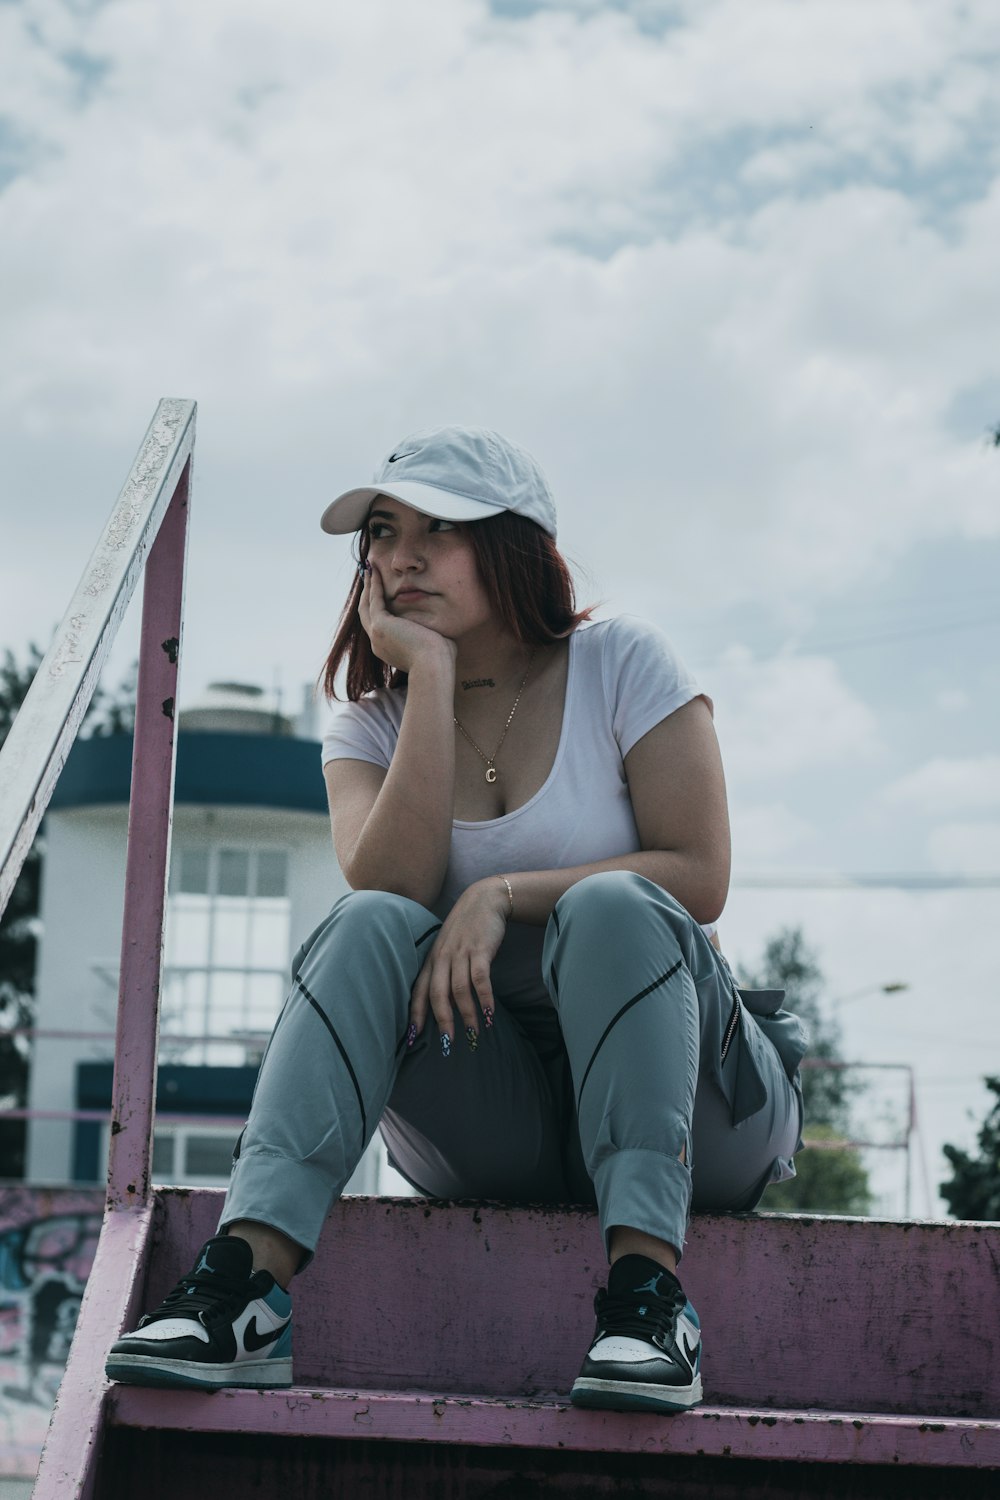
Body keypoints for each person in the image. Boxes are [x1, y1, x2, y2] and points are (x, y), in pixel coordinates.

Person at [106, 425, 806, 1413]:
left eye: (441, 529)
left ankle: (651, 1307)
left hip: (696, 1108)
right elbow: (390, 884)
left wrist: (501, 894)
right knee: (364, 927)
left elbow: (698, 876)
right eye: (384, 534)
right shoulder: (369, 724)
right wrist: (427, 681)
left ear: (513, 543)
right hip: (501, 1122)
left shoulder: (621, 662)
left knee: (613, 903)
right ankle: (244, 1288)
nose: (402, 556)